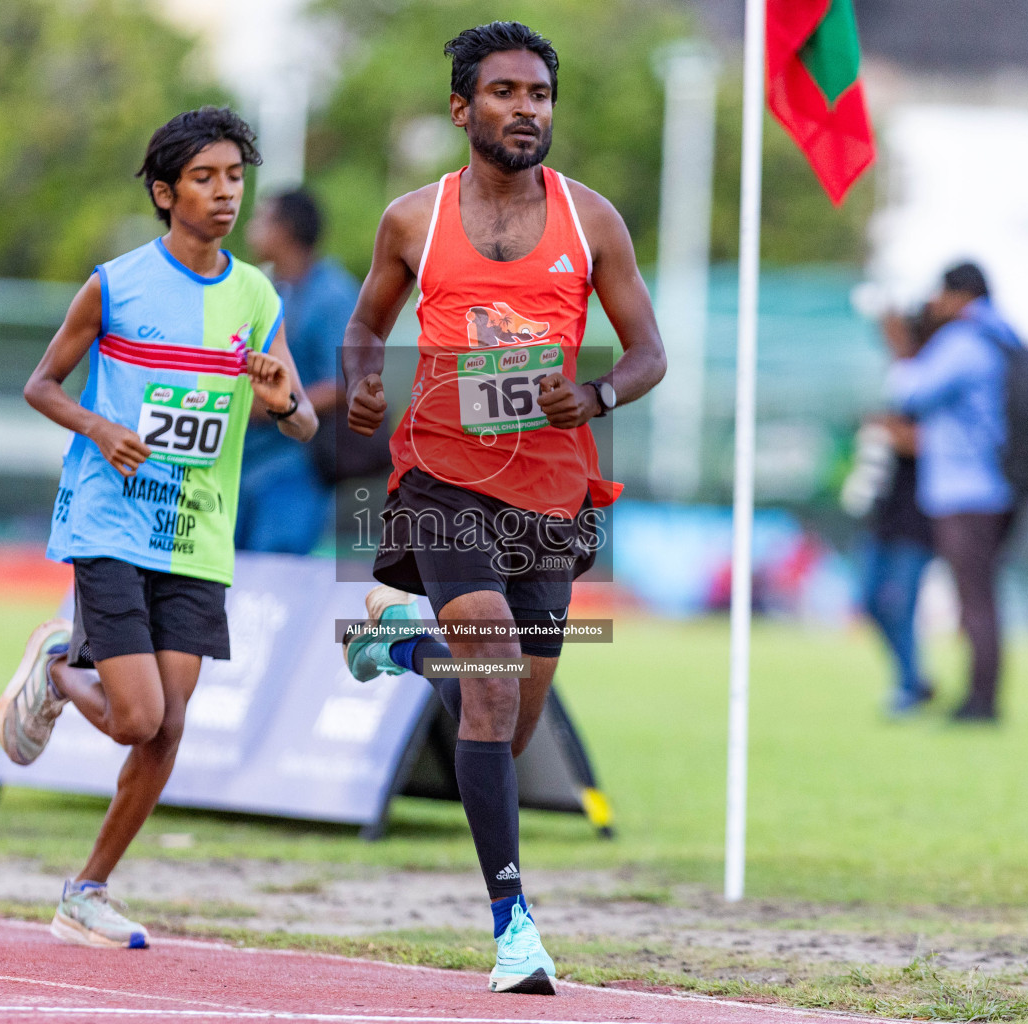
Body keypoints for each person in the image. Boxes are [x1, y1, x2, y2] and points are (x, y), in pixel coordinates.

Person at [337, 22, 667, 995]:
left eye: (540, 95)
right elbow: (367, 323)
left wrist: (598, 395)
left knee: (513, 724)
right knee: (487, 688)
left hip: (552, 496)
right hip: (443, 481)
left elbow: (649, 352)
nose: (528, 109)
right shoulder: (413, 220)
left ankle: (399, 648)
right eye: (507, 92)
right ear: (462, 108)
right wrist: (362, 381)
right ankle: (514, 925)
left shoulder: (593, 220)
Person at [0, 106, 317, 948]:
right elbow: (42, 384)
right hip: (111, 519)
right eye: (205, 180)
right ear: (166, 191)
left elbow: (303, 418)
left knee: (168, 727)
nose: (224, 196)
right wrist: (101, 428)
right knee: (137, 718)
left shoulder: (256, 294)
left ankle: (86, 892)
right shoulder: (116, 283)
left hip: (198, 533)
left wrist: (284, 402)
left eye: (235, 179)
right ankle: (58, 661)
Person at [886, 262, 1016, 722]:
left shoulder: (965, 343)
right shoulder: (1005, 337)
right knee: (979, 595)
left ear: (960, 296)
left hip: (967, 489)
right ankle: (981, 695)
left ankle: (981, 702)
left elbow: (909, 391)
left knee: (974, 598)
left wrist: (900, 345)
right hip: (996, 486)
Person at [236, 189, 356, 553]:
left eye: (260, 219)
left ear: (284, 228)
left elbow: (345, 382)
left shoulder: (331, 293)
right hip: (248, 462)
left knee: (272, 580)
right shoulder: (270, 289)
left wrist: (279, 405)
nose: (250, 228)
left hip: (294, 467)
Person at [845, 312, 936, 716]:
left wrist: (889, 431)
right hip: (886, 512)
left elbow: (932, 440)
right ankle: (912, 679)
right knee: (870, 600)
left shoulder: (933, 378)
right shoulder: (897, 379)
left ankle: (910, 683)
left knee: (901, 603)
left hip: (919, 517)